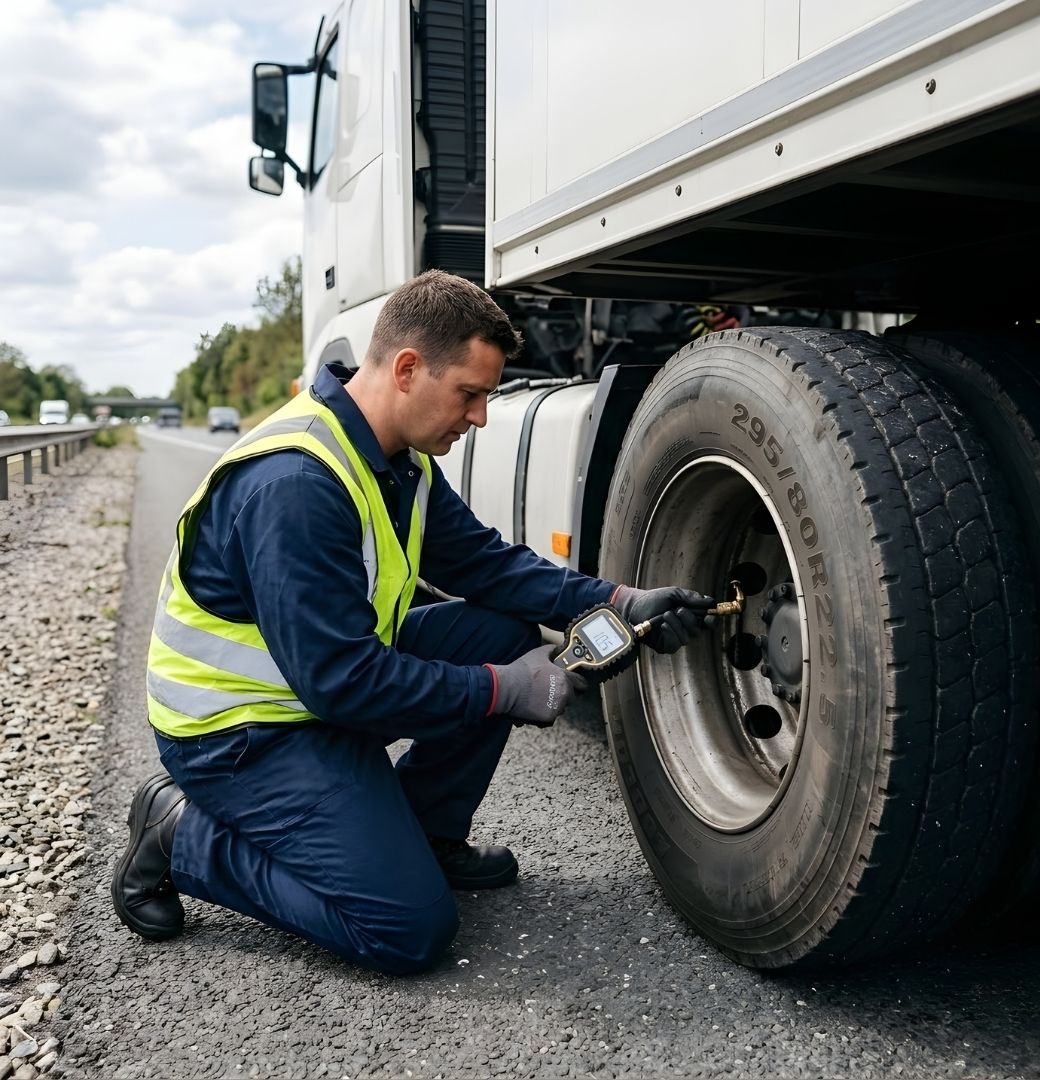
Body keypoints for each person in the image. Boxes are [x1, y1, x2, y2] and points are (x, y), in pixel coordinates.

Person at [111, 270, 714, 975]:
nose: (480, 416)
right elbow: (343, 683)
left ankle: (425, 837)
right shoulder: (295, 486)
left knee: (497, 633)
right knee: (404, 928)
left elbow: (485, 564)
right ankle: (179, 833)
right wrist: (502, 690)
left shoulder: (398, 461)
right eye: (469, 393)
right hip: (242, 734)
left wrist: (619, 602)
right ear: (406, 369)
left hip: (311, 696)